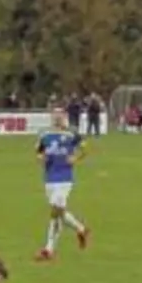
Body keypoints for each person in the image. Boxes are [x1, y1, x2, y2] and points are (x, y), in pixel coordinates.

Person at [34, 106, 91, 261]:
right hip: (49, 177)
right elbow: (38, 152)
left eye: (60, 114)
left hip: (65, 177)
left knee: (55, 211)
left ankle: (48, 249)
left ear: (65, 116)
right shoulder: (44, 133)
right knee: (58, 212)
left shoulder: (72, 133)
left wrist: (76, 159)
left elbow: (85, 149)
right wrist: (41, 158)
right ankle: (81, 229)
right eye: (55, 114)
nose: (57, 117)